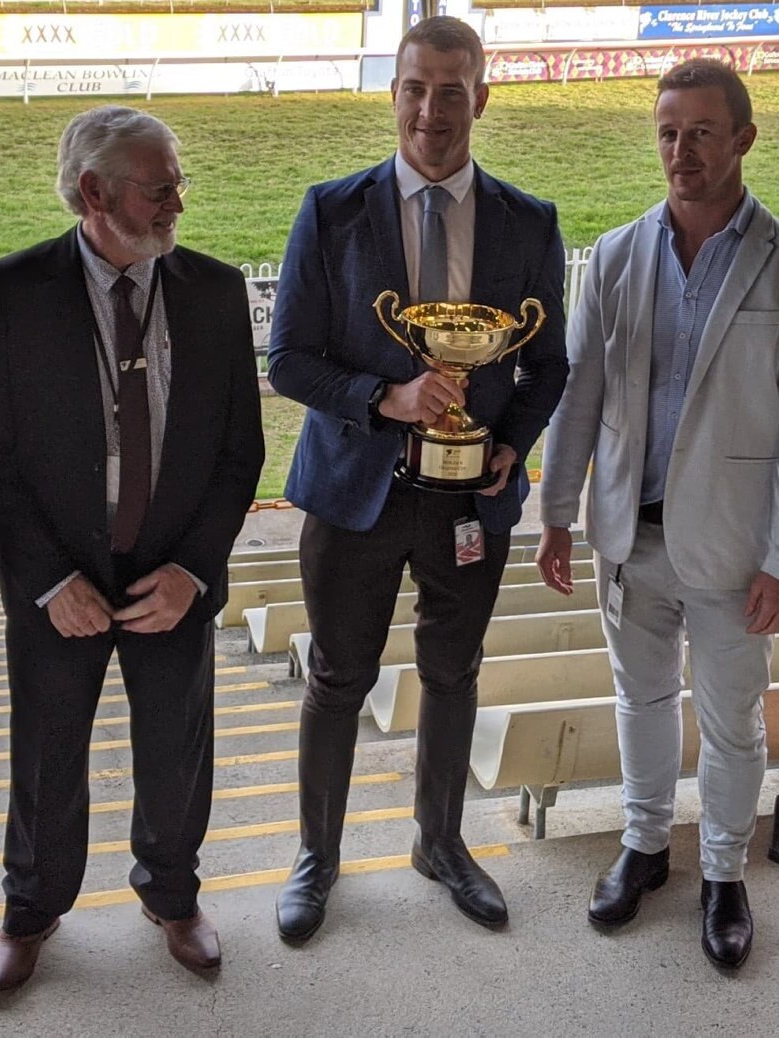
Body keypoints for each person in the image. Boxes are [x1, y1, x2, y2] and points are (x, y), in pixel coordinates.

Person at [537, 59, 779, 969]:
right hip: (629, 538)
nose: (682, 151)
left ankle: (721, 871)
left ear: (744, 138)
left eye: (703, 133)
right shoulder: (618, 255)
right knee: (638, 700)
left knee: (733, 722)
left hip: (738, 551)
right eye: (669, 133)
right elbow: (579, 395)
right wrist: (557, 512)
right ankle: (643, 846)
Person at [267, 16, 569, 939]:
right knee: (337, 677)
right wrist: (385, 398)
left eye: (451, 90)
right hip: (356, 493)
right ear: (392, 93)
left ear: (481, 96)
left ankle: (439, 844)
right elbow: (288, 360)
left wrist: (512, 441)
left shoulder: (530, 221)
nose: (431, 110)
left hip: (471, 498)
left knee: (454, 672)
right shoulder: (331, 210)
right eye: (414, 88)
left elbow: (547, 363)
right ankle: (317, 857)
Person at [0, 105, 264, 991]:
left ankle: (173, 897)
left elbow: (240, 449)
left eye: (178, 180)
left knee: (176, 746)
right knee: (49, 750)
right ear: (94, 192)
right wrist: (49, 577)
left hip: (173, 572)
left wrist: (194, 568)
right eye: (159, 185)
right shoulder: (12, 293)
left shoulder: (211, 289)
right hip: (59, 575)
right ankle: (31, 911)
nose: (179, 199)